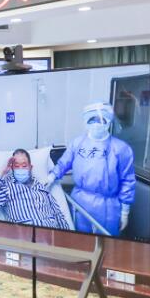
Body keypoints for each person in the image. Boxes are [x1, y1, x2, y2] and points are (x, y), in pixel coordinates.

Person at [45, 101, 136, 236]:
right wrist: (52, 176)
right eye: (92, 120)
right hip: (80, 201)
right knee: (79, 239)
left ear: (108, 122)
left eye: (101, 120)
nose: (96, 124)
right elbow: (64, 163)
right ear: (86, 121)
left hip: (108, 206)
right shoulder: (77, 143)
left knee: (106, 242)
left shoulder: (120, 148)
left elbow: (127, 180)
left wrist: (125, 211)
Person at [0, 149, 69, 229]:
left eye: (24, 166)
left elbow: (59, 216)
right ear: (12, 168)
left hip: (51, 233)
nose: (20, 169)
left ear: (30, 167)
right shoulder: (8, 187)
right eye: (16, 166)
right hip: (25, 235)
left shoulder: (43, 188)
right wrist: (2, 172)